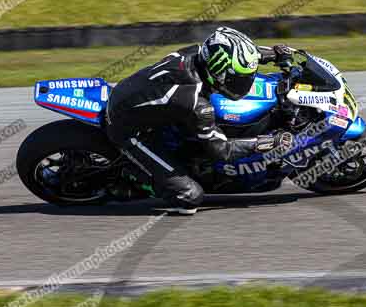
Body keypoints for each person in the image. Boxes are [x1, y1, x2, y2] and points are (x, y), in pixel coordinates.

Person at [105, 27, 294, 214]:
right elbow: (222, 151)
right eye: (240, 78)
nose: (245, 82)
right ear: (219, 73)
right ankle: (137, 178)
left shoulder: (196, 53)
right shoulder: (196, 104)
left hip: (134, 97)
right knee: (189, 197)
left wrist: (273, 54)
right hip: (128, 129)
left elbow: (233, 53)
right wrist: (266, 142)